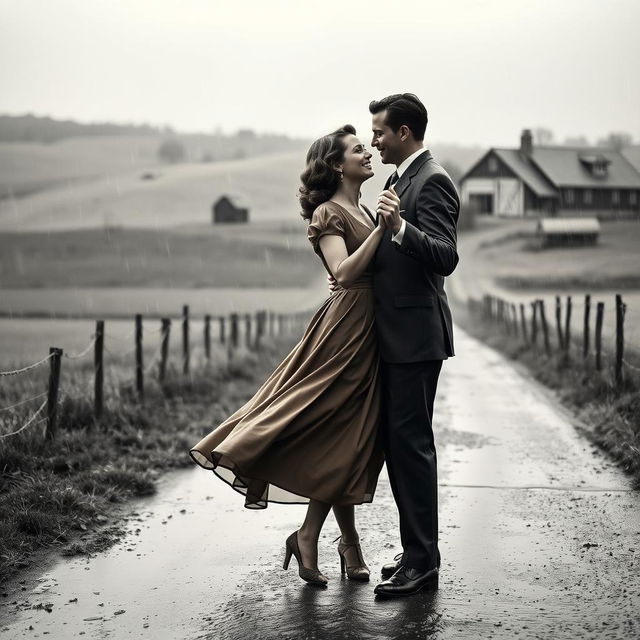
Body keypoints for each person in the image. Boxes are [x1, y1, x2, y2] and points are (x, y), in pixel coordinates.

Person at [189, 124, 400, 587]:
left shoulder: (361, 206)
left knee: (350, 435)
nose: (367, 152)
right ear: (335, 165)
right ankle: (317, 538)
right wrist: (383, 232)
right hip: (346, 330)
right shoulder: (328, 211)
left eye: (367, 146)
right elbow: (343, 271)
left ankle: (337, 541)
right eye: (357, 149)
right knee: (334, 429)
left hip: (369, 328)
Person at [328, 93, 460, 597]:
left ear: (403, 132)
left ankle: (423, 564)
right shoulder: (400, 179)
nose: (375, 140)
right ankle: (416, 550)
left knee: (413, 451)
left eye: (379, 132)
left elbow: (445, 257)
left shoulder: (434, 180)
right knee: (403, 451)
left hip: (416, 338)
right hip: (394, 339)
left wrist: (399, 227)